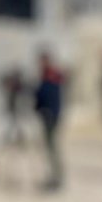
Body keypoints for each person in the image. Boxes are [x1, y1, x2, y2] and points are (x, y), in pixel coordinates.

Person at [34, 50, 66, 191]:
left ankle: (56, 177)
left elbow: (47, 96)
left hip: (50, 117)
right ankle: (54, 176)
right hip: (48, 116)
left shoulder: (51, 76)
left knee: (52, 147)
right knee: (50, 147)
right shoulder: (47, 75)